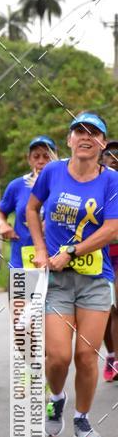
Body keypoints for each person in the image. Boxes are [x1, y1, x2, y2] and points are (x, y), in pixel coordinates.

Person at [26, 112, 118, 437]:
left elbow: (112, 228)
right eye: (79, 131)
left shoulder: (111, 181)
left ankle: (81, 417)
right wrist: (39, 247)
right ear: (69, 140)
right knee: (59, 356)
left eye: (94, 133)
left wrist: (73, 252)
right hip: (57, 280)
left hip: (94, 278)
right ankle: (56, 398)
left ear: (102, 143)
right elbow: (31, 209)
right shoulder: (52, 171)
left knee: (85, 355)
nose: (85, 137)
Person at [0, 135, 56, 271]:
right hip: (22, 259)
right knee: (22, 294)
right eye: (36, 156)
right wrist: (3, 225)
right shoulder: (17, 185)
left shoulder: (63, 185)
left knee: (54, 293)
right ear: (29, 159)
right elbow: (0, 212)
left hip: (55, 258)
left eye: (46, 156)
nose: (41, 161)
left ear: (55, 158)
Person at [100, 139, 118, 381]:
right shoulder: (96, 184)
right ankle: (111, 355)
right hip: (99, 253)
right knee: (106, 308)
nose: (114, 157)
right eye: (109, 154)